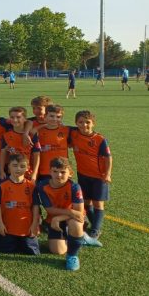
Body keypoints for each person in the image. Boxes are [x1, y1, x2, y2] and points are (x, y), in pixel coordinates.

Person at [35, 157, 87, 271]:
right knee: (58, 251)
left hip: (71, 218)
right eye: (55, 171)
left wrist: (58, 218)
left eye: (63, 172)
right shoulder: (42, 186)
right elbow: (49, 209)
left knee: (75, 224)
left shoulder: (74, 187)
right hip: (55, 217)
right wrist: (67, 213)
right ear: (50, 172)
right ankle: (78, 238)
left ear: (70, 173)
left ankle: (72, 255)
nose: (58, 175)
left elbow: (78, 213)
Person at [69, 110, 112, 239]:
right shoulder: (74, 134)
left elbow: (109, 157)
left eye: (88, 122)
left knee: (98, 203)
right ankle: (95, 225)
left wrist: (108, 174)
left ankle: (96, 230)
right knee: (86, 203)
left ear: (93, 123)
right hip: (82, 174)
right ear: (76, 123)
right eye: (80, 122)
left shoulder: (99, 139)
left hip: (99, 176)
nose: (84, 125)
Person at [0, 154, 40, 255]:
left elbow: (36, 206)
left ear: (28, 168)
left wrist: (34, 224)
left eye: (22, 166)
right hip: (8, 227)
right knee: (5, 249)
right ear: (8, 167)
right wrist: (0, 224)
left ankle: (22, 240)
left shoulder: (31, 186)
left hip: (26, 228)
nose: (18, 169)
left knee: (31, 252)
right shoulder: (2, 185)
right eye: (14, 165)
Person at [0, 107, 41, 180]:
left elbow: (36, 155)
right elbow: (3, 153)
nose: (15, 120)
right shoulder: (6, 135)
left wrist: (35, 173)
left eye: (18, 117)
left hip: (28, 172)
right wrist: (1, 171)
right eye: (12, 117)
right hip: (12, 172)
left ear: (25, 119)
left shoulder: (32, 135)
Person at [35, 105, 69, 182]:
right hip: (45, 171)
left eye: (58, 117)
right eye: (51, 116)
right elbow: (31, 132)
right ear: (45, 116)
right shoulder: (38, 131)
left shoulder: (66, 130)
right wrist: (45, 125)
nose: (55, 119)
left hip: (63, 170)